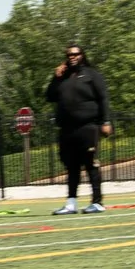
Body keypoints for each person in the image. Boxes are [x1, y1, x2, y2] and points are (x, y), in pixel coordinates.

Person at [44, 44, 112, 214]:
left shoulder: (92, 75)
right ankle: (71, 203)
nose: (72, 57)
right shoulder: (63, 77)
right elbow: (49, 96)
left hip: (88, 127)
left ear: (82, 55)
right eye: (69, 54)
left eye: (76, 54)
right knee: (71, 166)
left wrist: (106, 121)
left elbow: (103, 98)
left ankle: (97, 202)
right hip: (67, 129)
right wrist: (56, 77)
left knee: (91, 164)